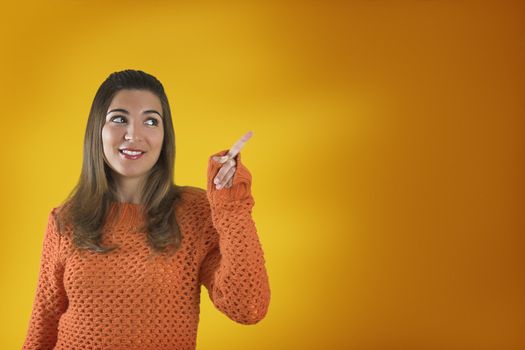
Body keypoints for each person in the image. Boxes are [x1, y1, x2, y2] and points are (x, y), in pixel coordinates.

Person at [22, 69, 270, 350]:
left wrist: (232, 206)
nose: (133, 134)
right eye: (119, 119)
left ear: (165, 136)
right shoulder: (64, 219)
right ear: (97, 130)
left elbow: (247, 307)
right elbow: (43, 325)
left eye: (151, 121)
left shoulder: (195, 214)